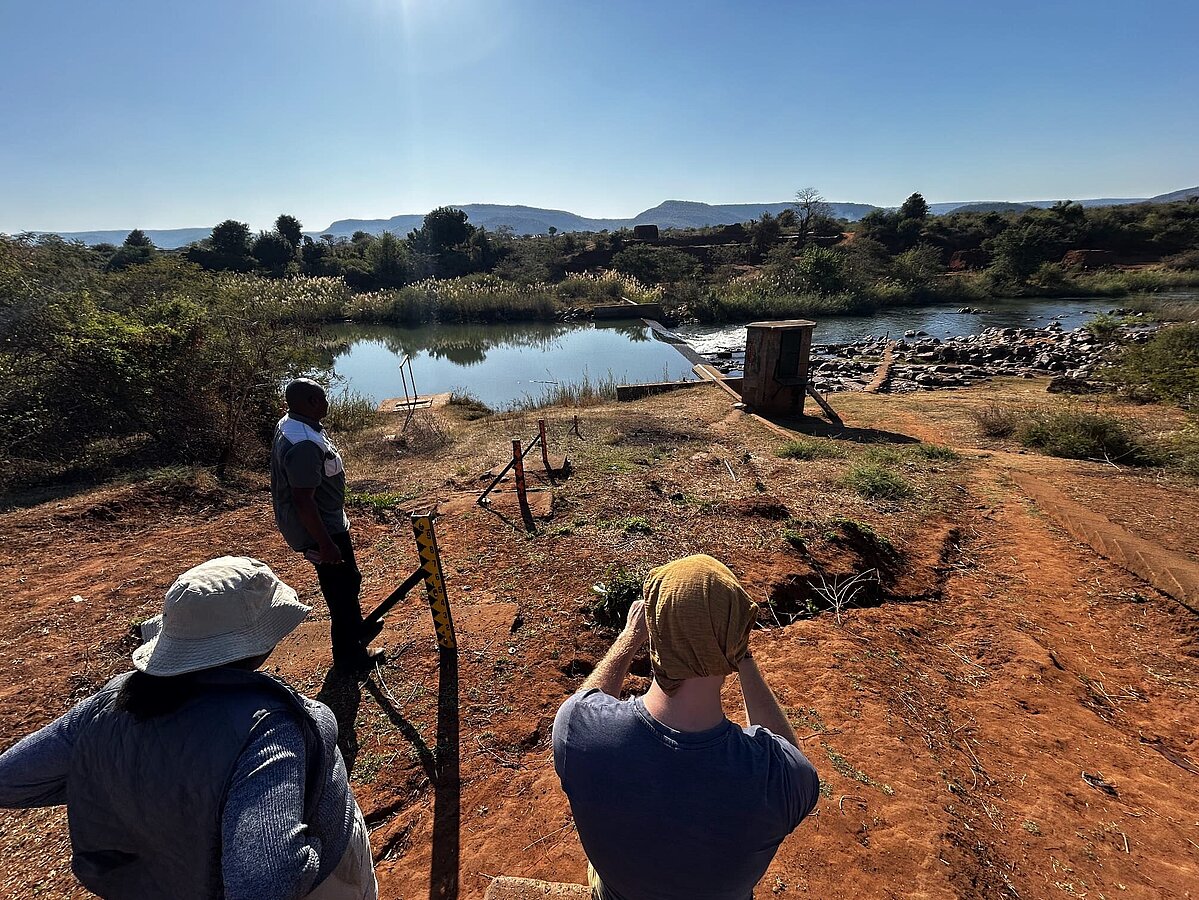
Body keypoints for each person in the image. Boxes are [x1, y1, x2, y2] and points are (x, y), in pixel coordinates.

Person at [0, 556, 377, 900]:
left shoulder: (112, 700)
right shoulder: (267, 729)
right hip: (325, 885)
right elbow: (266, 884)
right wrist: (315, 845)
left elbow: (10, 779)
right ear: (256, 643)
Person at [553, 554, 820, 900]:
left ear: (654, 634)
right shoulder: (779, 778)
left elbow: (587, 699)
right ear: (737, 637)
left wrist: (628, 638)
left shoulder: (577, 731)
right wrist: (742, 656)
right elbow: (790, 756)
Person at [272, 378, 383, 674]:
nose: (327, 403)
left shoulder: (293, 423)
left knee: (350, 580)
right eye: (322, 398)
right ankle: (349, 655)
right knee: (340, 590)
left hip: (329, 521)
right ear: (310, 403)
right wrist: (325, 543)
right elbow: (303, 500)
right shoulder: (304, 443)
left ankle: (356, 628)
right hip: (321, 528)